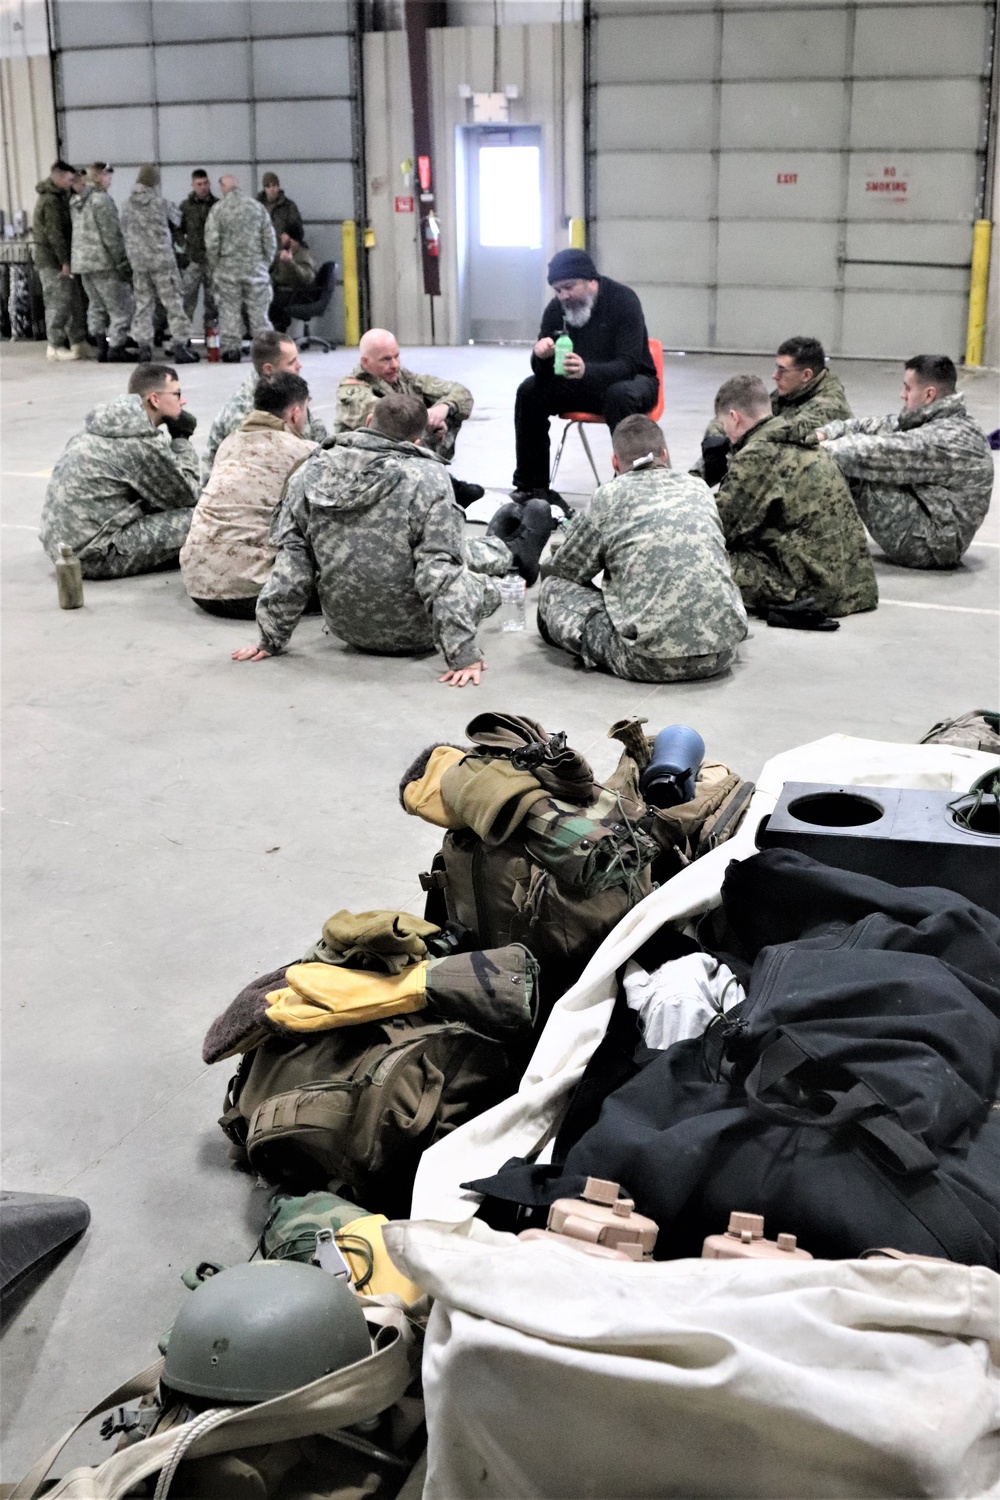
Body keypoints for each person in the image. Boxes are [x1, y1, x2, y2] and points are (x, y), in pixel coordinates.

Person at [232, 394, 544, 686]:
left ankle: (506, 549)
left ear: (369, 422)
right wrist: (462, 655)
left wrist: (269, 638)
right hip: (415, 632)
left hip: (346, 626)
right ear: (417, 440)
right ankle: (514, 560)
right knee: (474, 580)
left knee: (446, 551)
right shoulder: (428, 477)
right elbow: (440, 574)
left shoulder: (310, 470)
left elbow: (291, 567)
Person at [535, 414, 747, 683]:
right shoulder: (699, 489)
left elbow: (566, 570)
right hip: (722, 653)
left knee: (552, 588)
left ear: (615, 462)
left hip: (646, 662)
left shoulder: (609, 496)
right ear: (665, 455)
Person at [714, 374, 877, 620]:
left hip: (815, 592)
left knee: (702, 563)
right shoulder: (800, 439)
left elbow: (720, 528)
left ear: (735, 418)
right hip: (855, 585)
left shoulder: (758, 454)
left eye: (724, 424)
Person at [816, 355, 994, 570]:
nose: (902, 395)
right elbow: (875, 426)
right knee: (846, 453)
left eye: (908, 389)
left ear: (929, 394)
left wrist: (801, 451)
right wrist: (823, 434)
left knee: (851, 466)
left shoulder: (944, 439)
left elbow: (868, 452)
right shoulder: (942, 419)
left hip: (931, 547)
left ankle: (808, 544)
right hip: (935, 527)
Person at [512, 248, 658, 504]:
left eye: (569, 287)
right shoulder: (556, 310)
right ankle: (532, 487)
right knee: (529, 391)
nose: (564, 296)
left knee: (620, 395)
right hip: (580, 385)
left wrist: (587, 370)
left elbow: (629, 364)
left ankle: (631, 487)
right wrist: (540, 356)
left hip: (632, 381)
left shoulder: (623, 300)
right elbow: (544, 372)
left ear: (592, 281)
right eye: (558, 290)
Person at [39, 363, 200, 579]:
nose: (183, 401)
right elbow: (188, 496)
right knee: (204, 519)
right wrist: (182, 440)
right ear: (154, 399)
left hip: (60, 547)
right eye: (177, 394)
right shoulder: (141, 441)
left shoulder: (107, 424)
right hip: (92, 556)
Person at [181, 371, 317, 619]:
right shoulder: (305, 452)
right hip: (257, 591)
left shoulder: (229, 444)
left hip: (199, 585)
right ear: (296, 413)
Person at [336, 328, 483, 507]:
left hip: (404, 465)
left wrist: (444, 408)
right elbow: (392, 420)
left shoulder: (402, 377)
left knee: (451, 411)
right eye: (386, 359)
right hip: (369, 474)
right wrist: (428, 421)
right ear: (366, 363)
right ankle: (439, 486)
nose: (395, 364)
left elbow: (462, 393)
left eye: (396, 356)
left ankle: (439, 484)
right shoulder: (353, 390)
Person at [699, 336, 853, 486]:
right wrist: (714, 444)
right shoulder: (792, 392)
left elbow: (768, 441)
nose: (775, 376)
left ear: (806, 375)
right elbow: (742, 413)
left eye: (782, 370)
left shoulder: (828, 406)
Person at [204, 330, 328, 472]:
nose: (299, 366)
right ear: (268, 369)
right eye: (291, 362)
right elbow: (257, 470)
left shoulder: (288, 391)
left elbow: (316, 438)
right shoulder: (244, 412)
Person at [120, 164, 197, 365]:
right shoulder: (160, 203)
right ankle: (179, 345)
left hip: (139, 263)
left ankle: (144, 347)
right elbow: (179, 220)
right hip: (162, 262)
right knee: (173, 303)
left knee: (143, 304)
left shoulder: (127, 205)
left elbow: (123, 229)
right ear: (154, 182)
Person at [205, 175, 278, 361]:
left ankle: (231, 350)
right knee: (259, 313)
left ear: (223, 187)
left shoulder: (218, 209)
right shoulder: (257, 207)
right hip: (255, 268)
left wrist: (216, 266)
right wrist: (264, 264)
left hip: (228, 270)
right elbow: (270, 240)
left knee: (229, 310)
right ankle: (266, 351)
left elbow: (212, 243)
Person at [69, 163, 134, 363]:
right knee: (120, 308)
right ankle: (116, 347)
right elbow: (112, 236)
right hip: (104, 263)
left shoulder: (76, 201)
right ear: (99, 176)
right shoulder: (101, 201)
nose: (110, 180)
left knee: (96, 306)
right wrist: (123, 262)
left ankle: (101, 346)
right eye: (108, 176)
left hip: (83, 263)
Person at [32, 159, 90, 361]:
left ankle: (78, 342)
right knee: (58, 301)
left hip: (64, 258)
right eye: (69, 178)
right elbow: (54, 234)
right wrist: (64, 261)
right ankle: (55, 345)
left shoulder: (62, 197)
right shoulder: (50, 201)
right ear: (58, 178)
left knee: (74, 301)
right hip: (52, 260)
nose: (72, 182)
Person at [178, 169, 219, 334]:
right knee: (187, 300)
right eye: (199, 184)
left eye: (205, 183)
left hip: (212, 262)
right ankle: (183, 338)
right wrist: (184, 246)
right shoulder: (185, 206)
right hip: (193, 261)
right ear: (193, 185)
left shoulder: (217, 206)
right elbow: (176, 229)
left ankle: (211, 338)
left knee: (213, 302)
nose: (203, 187)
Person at [268, 231, 316, 332]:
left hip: (296, 293)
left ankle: (279, 332)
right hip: (281, 290)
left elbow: (307, 278)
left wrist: (290, 262)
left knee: (274, 303)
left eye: (285, 238)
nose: (282, 240)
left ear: (293, 240)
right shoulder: (283, 253)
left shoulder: (303, 255)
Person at [257, 172, 304, 243]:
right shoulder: (256, 206)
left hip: (283, 246)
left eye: (274, 185)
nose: (271, 189)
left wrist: (289, 236)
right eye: (268, 186)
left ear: (278, 187)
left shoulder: (289, 206)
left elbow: (298, 229)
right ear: (264, 188)